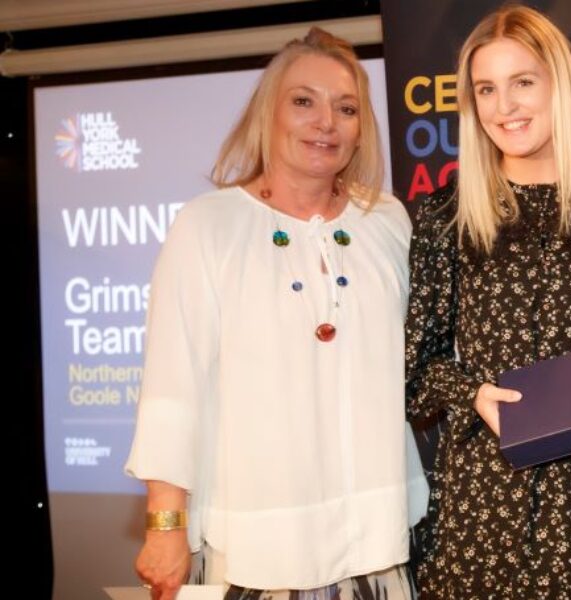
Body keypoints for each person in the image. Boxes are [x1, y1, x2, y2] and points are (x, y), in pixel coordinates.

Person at [126, 27, 425, 600]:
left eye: (346, 108)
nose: (326, 123)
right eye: (303, 101)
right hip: (258, 556)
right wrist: (166, 526)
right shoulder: (207, 226)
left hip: (375, 549)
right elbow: (172, 387)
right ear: (270, 112)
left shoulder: (388, 221)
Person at [404, 5, 571, 598]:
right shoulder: (447, 215)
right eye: (487, 89)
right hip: (488, 501)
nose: (505, 107)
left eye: (522, 82)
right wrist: (471, 394)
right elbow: (414, 368)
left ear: (560, 85)